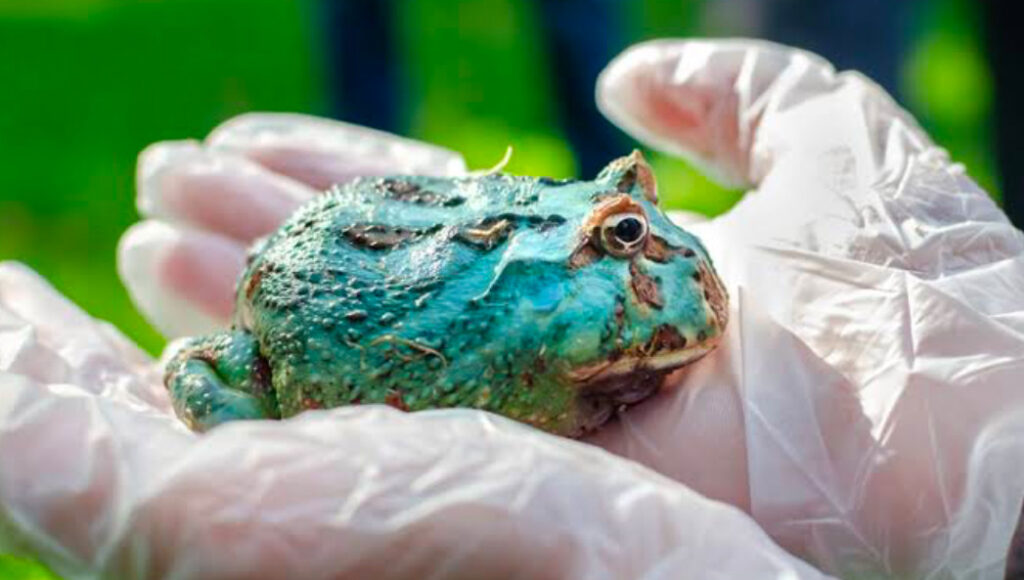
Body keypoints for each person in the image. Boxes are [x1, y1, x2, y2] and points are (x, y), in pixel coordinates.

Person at [2, 39, 1023, 578]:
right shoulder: (534, 326)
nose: (670, 262)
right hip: (307, 321)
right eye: (627, 242)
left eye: (642, 223)